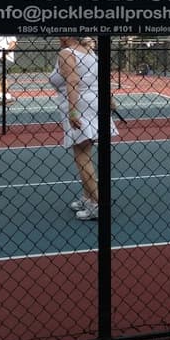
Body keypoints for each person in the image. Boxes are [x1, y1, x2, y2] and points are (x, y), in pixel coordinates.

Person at [50, 36, 118, 220]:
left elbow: (73, 81)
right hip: (94, 103)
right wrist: (110, 100)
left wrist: (72, 112)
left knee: (81, 155)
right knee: (85, 150)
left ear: (67, 35)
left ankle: (98, 204)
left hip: (79, 105)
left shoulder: (66, 53)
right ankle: (88, 197)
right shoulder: (90, 52)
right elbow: (102, 77)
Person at [0, 35, 17, 102]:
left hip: (7, 58)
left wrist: (5, 53)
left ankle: (5, 96)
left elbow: (13, 44)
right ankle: (3, 96)